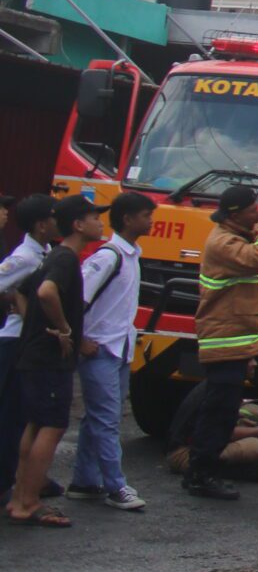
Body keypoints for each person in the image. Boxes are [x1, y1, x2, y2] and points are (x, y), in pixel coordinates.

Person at [9, 196, 101, 527]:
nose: (100, 223)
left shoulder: (56, 256)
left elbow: (23, 290)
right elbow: (46, 292)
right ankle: (28, 502)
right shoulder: (64, 260)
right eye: (94, 217)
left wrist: (31, 322)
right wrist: (62, 329)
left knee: (35, 424)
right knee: (52, 425)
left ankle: (20, 497)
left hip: (34, 355)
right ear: (77, 225)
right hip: (49, 359)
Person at [187, 186, 258, 502]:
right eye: (254, 210)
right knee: (218, 411)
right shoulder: (223, 242)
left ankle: (204, 470)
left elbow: (243, 275)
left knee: (224, 410)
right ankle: (201, 474)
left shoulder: (236, 238)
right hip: (223, 340)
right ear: (235, 213)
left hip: (235, 342)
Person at [66, 192, 152, 511]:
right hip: (100, 347)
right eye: (145, 215)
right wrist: (81, 338)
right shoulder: (109, 256)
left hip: (118, 348)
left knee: (98, 419)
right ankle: (116, 485)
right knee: (106, 419)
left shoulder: (130, 255)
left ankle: (85, 481)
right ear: (128, 219)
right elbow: (78, 299)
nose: (151, 221)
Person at [0, 195, 64, 498]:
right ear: (41, 225)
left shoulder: (47, 252)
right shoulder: (25, 257)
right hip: (14, 342)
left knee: (27, 412)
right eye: (54, 216)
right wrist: (16, 300)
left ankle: (26, 475)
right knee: (12, 412)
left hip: (28, 342)